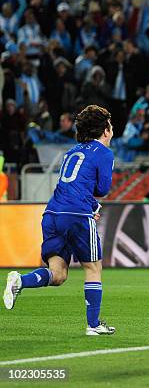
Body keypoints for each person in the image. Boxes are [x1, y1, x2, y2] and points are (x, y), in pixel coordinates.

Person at [3, 105, 115, 336]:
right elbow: (102, 189)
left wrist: (89, 204)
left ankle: (19, 281)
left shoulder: (71, 152)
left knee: (58, 274)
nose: (112, 131)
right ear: (105, 130)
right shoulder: (104, 153)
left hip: (52, 214)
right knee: (93, 267)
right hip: (76, 214)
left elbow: (74, 185)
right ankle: (93, 325)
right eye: (110, 126)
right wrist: (91, 205)